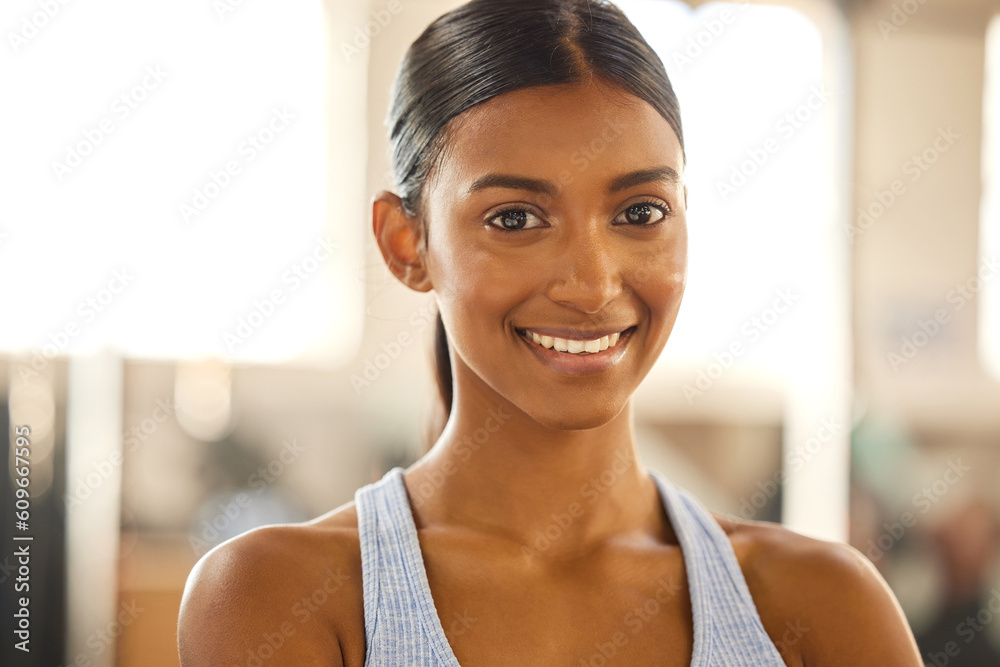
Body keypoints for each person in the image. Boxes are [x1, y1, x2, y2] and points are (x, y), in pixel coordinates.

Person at [178, 0, 924, 664]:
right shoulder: (282, 595)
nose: (592, 284)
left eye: (640, 213)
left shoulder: (823, 605)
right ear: (407, 243)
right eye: (515, 219)